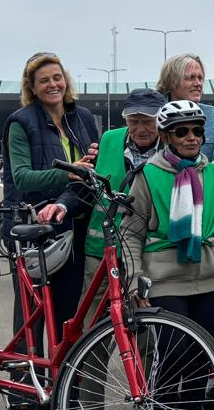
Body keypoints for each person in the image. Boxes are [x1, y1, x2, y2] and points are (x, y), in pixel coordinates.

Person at [119, 100, 214, 410]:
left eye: (197, 131)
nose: (191, 138)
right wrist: (133, 281)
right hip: (164, 281)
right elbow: (131, 233)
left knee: (201, 359)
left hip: (208, 279)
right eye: (182, 132)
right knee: (172, 356)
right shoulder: (147, 176)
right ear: (166, 136)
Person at [1, 51, 100, 410]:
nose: (53, 85)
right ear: (32, 87)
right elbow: (22, 178)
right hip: (32, 230)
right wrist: (71, 174)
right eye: (44, 80)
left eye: (57, 77)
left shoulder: (83, 117)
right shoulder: (21, 122)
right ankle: (23, 408)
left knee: (67, 319)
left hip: (74, 224)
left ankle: (63, 404)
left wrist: (91, 163)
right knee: (32, 319)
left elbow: (94, 167)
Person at [40, 88, 165, 275]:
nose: (140, 129)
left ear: (161, 120)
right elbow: (87, 184)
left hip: (150, 253)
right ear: (125, 120)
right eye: (134, 121)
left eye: (147, 121)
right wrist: (62, 204)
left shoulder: (172, 147)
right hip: (103, 249)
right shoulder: (108, 140)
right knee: (93, 295)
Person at [155, 53, 214, 160]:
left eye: (200, 78)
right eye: (191, 78)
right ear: (171, 81)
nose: (198, 83)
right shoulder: (153, 115)